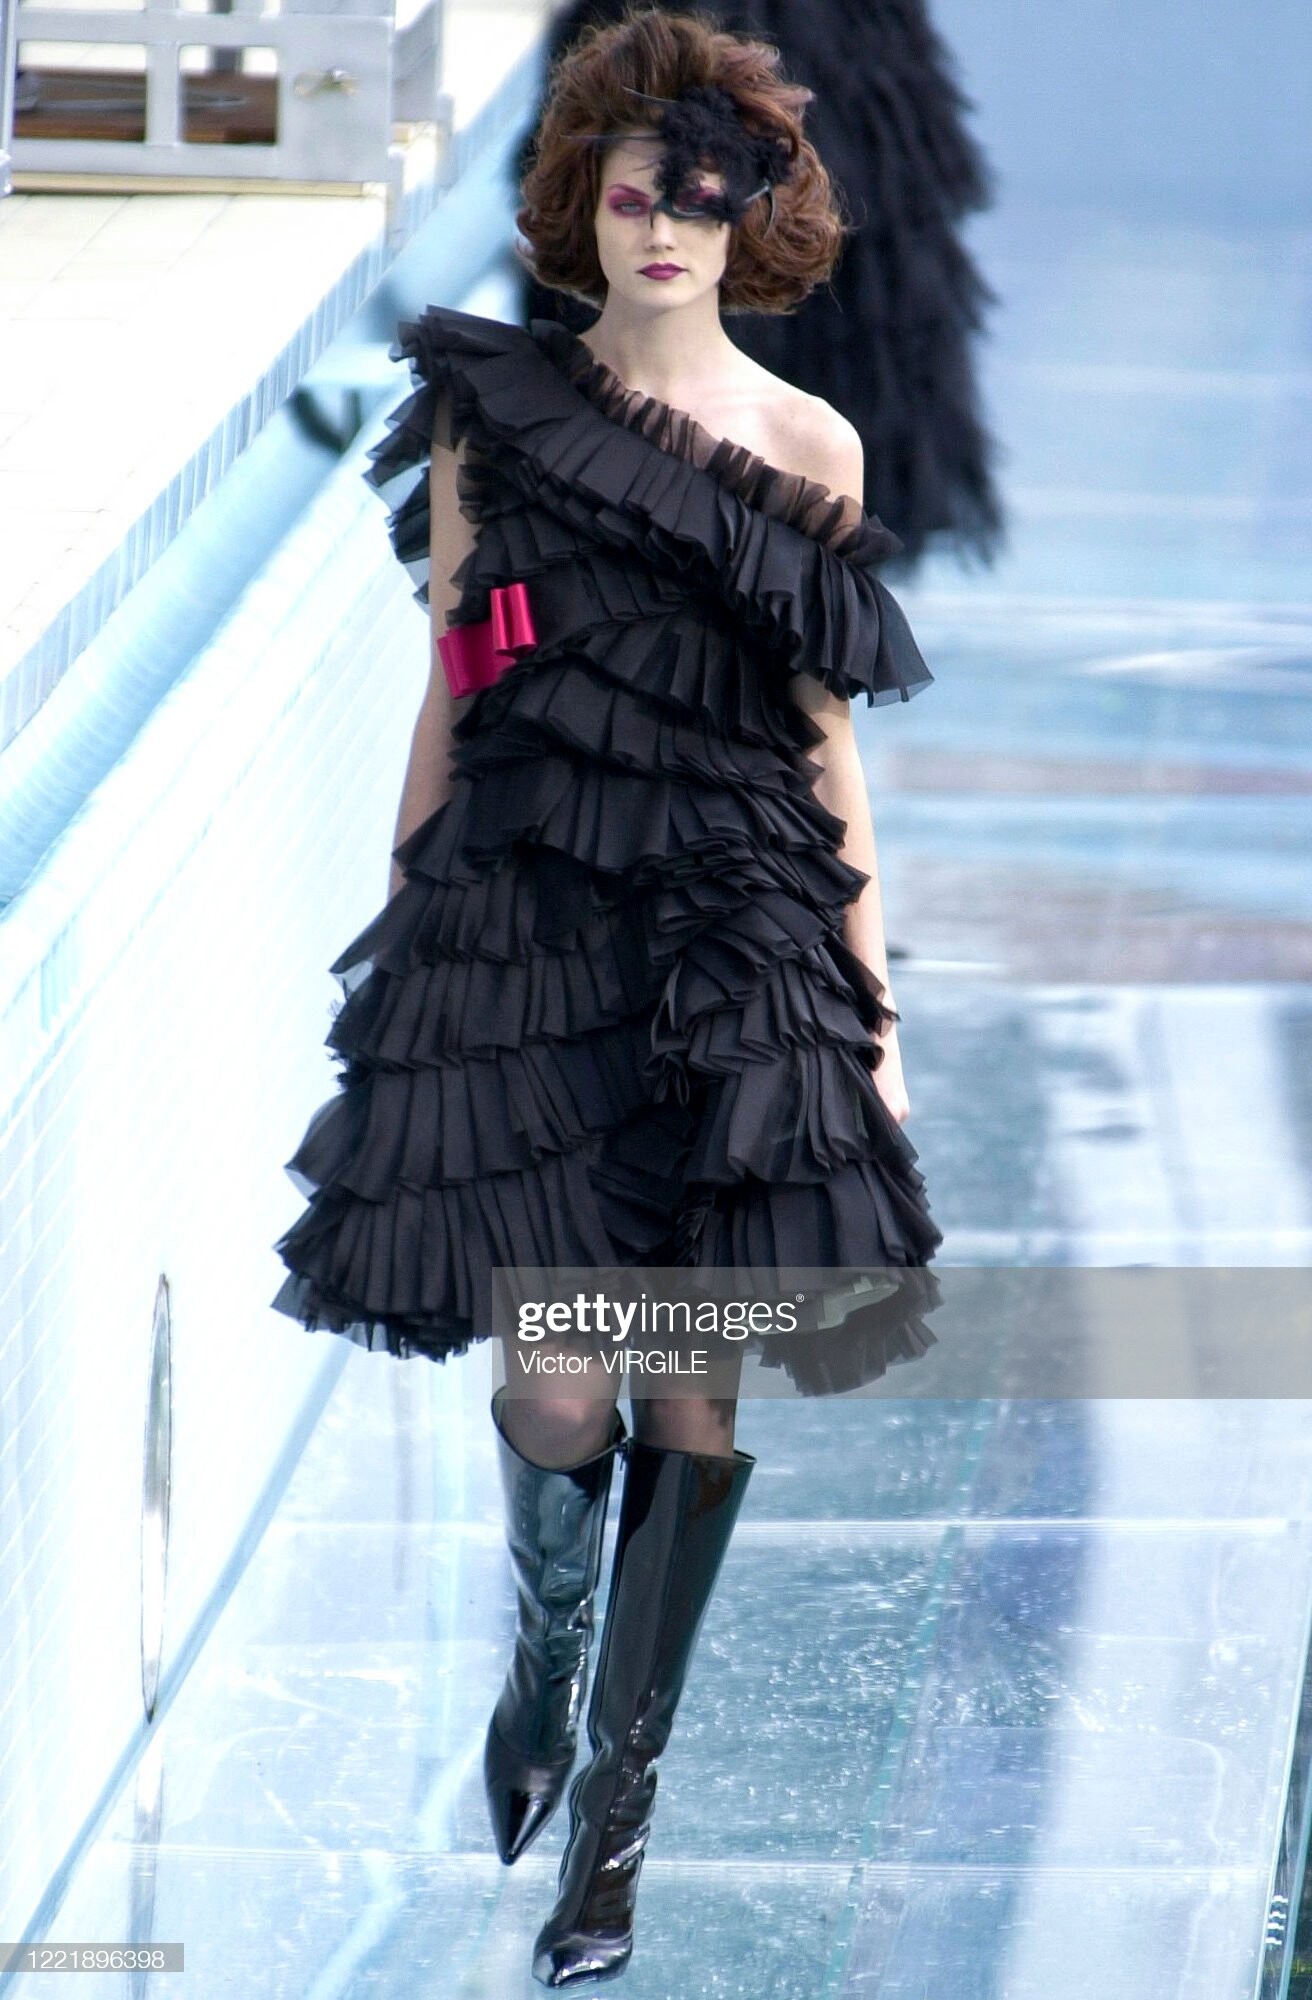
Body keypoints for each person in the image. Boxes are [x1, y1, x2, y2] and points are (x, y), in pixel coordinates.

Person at [271, 8, 943, 1985]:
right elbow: (453, 681)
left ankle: (616, 1843)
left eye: (699, 204)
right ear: (587, 203)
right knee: (556, 1381)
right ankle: (546, 1658)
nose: (664, 230)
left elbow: (826, 737)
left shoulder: (805, 444)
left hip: (737, 941)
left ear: (747, 225)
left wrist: (871, 1014)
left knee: (684, 1380)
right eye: (637, 195)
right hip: (536, 931)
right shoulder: (492, 414)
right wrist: (412, 927)